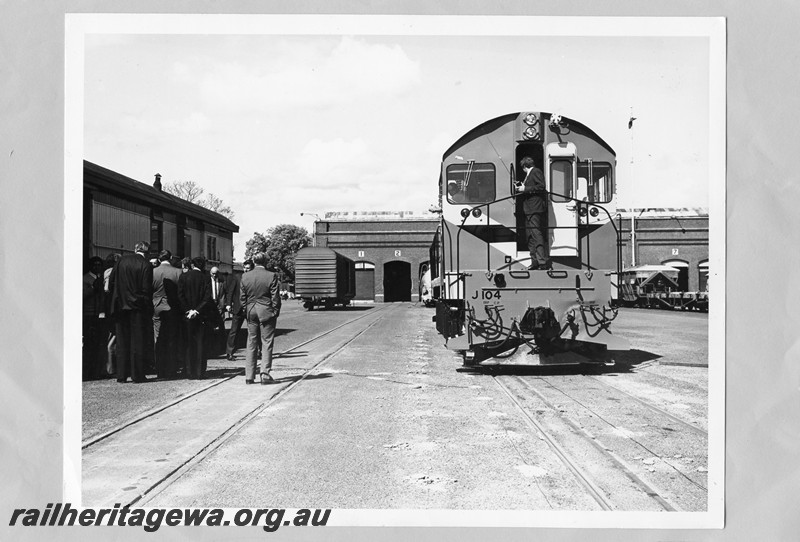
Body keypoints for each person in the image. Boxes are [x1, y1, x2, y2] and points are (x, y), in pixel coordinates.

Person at [109, 241, 154, 383]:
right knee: (138, 341)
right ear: (147, 252)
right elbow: (147, 289)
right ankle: (137, 374)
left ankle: (121, 375)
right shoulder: (146, 264)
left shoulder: (121, 261)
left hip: (121, 306)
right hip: (138, 307)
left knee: (122, 341)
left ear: (135, 249)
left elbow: (111, 282)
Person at [240, 252, 281, 385]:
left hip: (251, 311)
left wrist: (246, 309)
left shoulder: (245, 276)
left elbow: (242, 297)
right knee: (266, 342)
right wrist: (275, 311)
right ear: (266, 261)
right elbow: (275, 297)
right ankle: (264, 373)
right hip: (266, 311)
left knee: (251, 342)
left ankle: (249, 376)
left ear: (254, 261)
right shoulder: (271, 276)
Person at [178, 256, 212, 379]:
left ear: (192, 265)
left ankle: (188, 371)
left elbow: (180, 295)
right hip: (201, 315)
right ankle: (199, 372)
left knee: (188, 343)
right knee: (200, 343)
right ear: (202, 265)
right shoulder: (206, 278)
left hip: (186, 315)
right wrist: (197, 310)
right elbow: (207, 297)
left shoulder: (183, 277)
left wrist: (188, 310)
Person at [152, 249, 182, 378]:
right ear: (170, 258)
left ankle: (159, 367)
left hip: (157, 305)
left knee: (157, 337)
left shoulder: (153, 272)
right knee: (172, 337)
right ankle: (172, 367)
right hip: (172, 307)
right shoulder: (178, 272)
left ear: (159, 259)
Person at [515, 156, 550, 270]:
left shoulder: (535, 171)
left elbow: (541, 186)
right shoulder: (529, 174)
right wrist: (522, 187)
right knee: (530, 236)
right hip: (529, 209)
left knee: (536, 234)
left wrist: (524, 189)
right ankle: (534, 261)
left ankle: (542, 262)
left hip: (535, 208)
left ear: (525, 166)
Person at [82, 256, 105, 380]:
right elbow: (82, 295)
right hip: (88, 314)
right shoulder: (86, 279)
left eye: (99, 265)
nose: (97, 267)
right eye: (94, 265)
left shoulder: (100, 279)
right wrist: (93, 289)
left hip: (99, 314)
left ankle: (97, 370)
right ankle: (88, 371)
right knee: (89, 344)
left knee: (98, 344)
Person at [224, 260, 252, 361]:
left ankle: (257, 352)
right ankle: (229, 352)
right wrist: (228, 304)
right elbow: (231, 291)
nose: (246, 270)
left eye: (248, 268)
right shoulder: (237, 277)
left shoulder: (253, 278)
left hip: (250, 308)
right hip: (238, 308)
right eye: (245, 268)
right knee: (234, 331)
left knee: (253, 331)